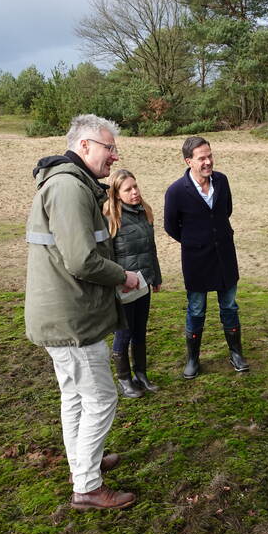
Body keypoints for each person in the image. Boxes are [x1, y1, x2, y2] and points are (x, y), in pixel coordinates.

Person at [25, 114, 140, 510]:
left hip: (65, 313)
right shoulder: (69, 188)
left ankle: (82, 465)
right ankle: (88, 487)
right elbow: (82, 260)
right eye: (109, 148)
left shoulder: (70, 184)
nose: (115, 155)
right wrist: (123, 276)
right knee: (101, 399)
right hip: (73, 319)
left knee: (75, 397)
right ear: (85, 145)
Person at [163, 136, 250, 380]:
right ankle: (193, 360)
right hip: (196, 260)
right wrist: (194, 241)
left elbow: (226, 211)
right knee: (196, 309)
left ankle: (236, 353)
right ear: (188, 161)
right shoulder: (176, 191)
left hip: (224, 256)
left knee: (230, 306)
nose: (208, 162)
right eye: (202, 158)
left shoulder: (222, 181)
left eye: (210, 156)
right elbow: (171, 226)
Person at [103, 169, 162, 398]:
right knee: (124, 334)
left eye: (136, 186)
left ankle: (141, 374)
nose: (135, 192)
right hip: (123, 287)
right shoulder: (110, 218)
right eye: (128, 189)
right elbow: (107, 255)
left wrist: (155, 277)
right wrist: (119, 279)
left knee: (140, 331)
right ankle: (124, 380)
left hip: (143, 283)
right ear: (116, 194)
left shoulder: (144, 211)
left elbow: (151, 248)